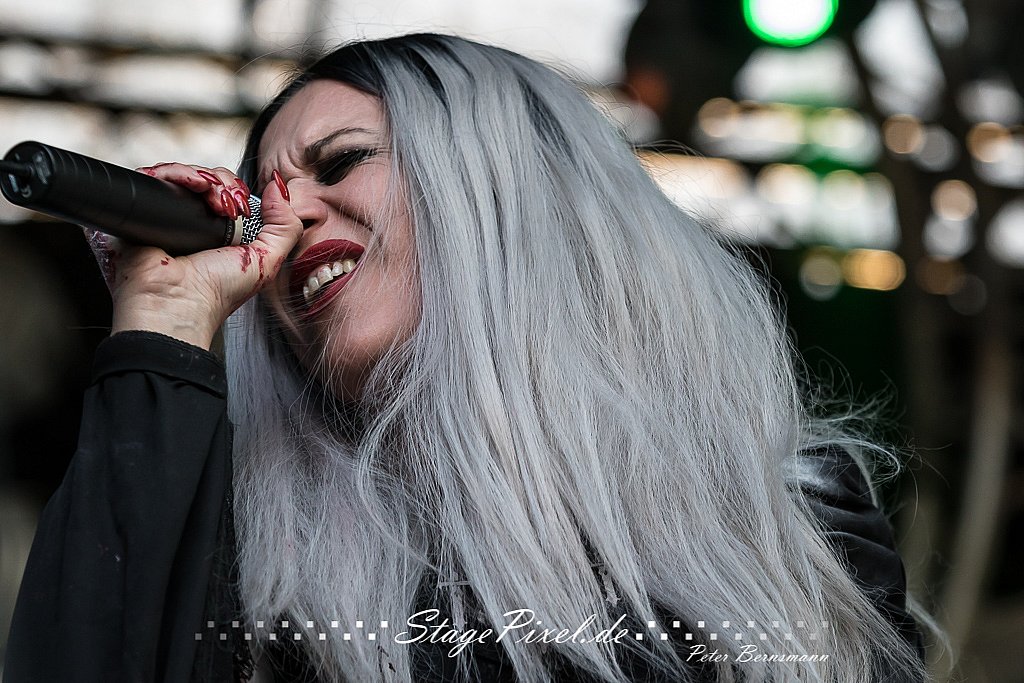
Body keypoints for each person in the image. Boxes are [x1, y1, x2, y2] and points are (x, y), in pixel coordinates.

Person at [4, 33, 927, 682]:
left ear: (506, 185)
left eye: (341, 162)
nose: (289, 219)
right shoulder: (257, 578)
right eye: (260, 206)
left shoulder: (789, 516)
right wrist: (164, 317)